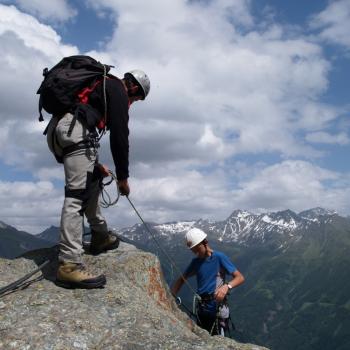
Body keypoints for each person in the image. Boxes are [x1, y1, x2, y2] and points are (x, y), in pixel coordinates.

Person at [46, 69, 150, 289]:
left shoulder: (102, 85)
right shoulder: (119, 91)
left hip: (64, 130)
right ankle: (69, 266)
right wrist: (123, 177)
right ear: (133, 87)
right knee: (76, 196)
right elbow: (121, 136)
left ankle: (100, 236)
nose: (134, 102)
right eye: (137, 98)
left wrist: (95, 165)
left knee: (92, 181)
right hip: (76, 131)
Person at [171, 228, 245, 336]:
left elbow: (240, 277)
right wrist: (170, 297)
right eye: (194, 250)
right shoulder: (196, 262)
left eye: (197, 249)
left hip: (216, 311)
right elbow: (181, 279)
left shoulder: (219, 257)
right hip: (202, 310)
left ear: (205, 243)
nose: (196, 253)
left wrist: (226, 287)